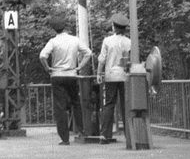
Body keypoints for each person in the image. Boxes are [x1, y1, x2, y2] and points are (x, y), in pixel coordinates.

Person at [39, 14, 92, 145]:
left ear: (53, 29)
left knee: (60, 107)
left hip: (57, 75)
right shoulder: (75, 40)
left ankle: (65, 138)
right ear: (65, 27)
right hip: (72, 74)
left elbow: (42, 56)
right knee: (76, 102)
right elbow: (89, 53)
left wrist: (48, 68)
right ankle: (81, 130)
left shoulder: (53, 42)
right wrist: (80, 66)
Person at [96, 13, 131, 144]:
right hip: (124, 77)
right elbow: (129, 60)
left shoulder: (107, 41)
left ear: (114, 27)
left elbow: (102, 59)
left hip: (110, 76)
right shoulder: (128, 42)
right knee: (125, 105)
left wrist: (99, 74)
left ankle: (105, 135)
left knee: (109, 104)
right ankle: (129, 135)